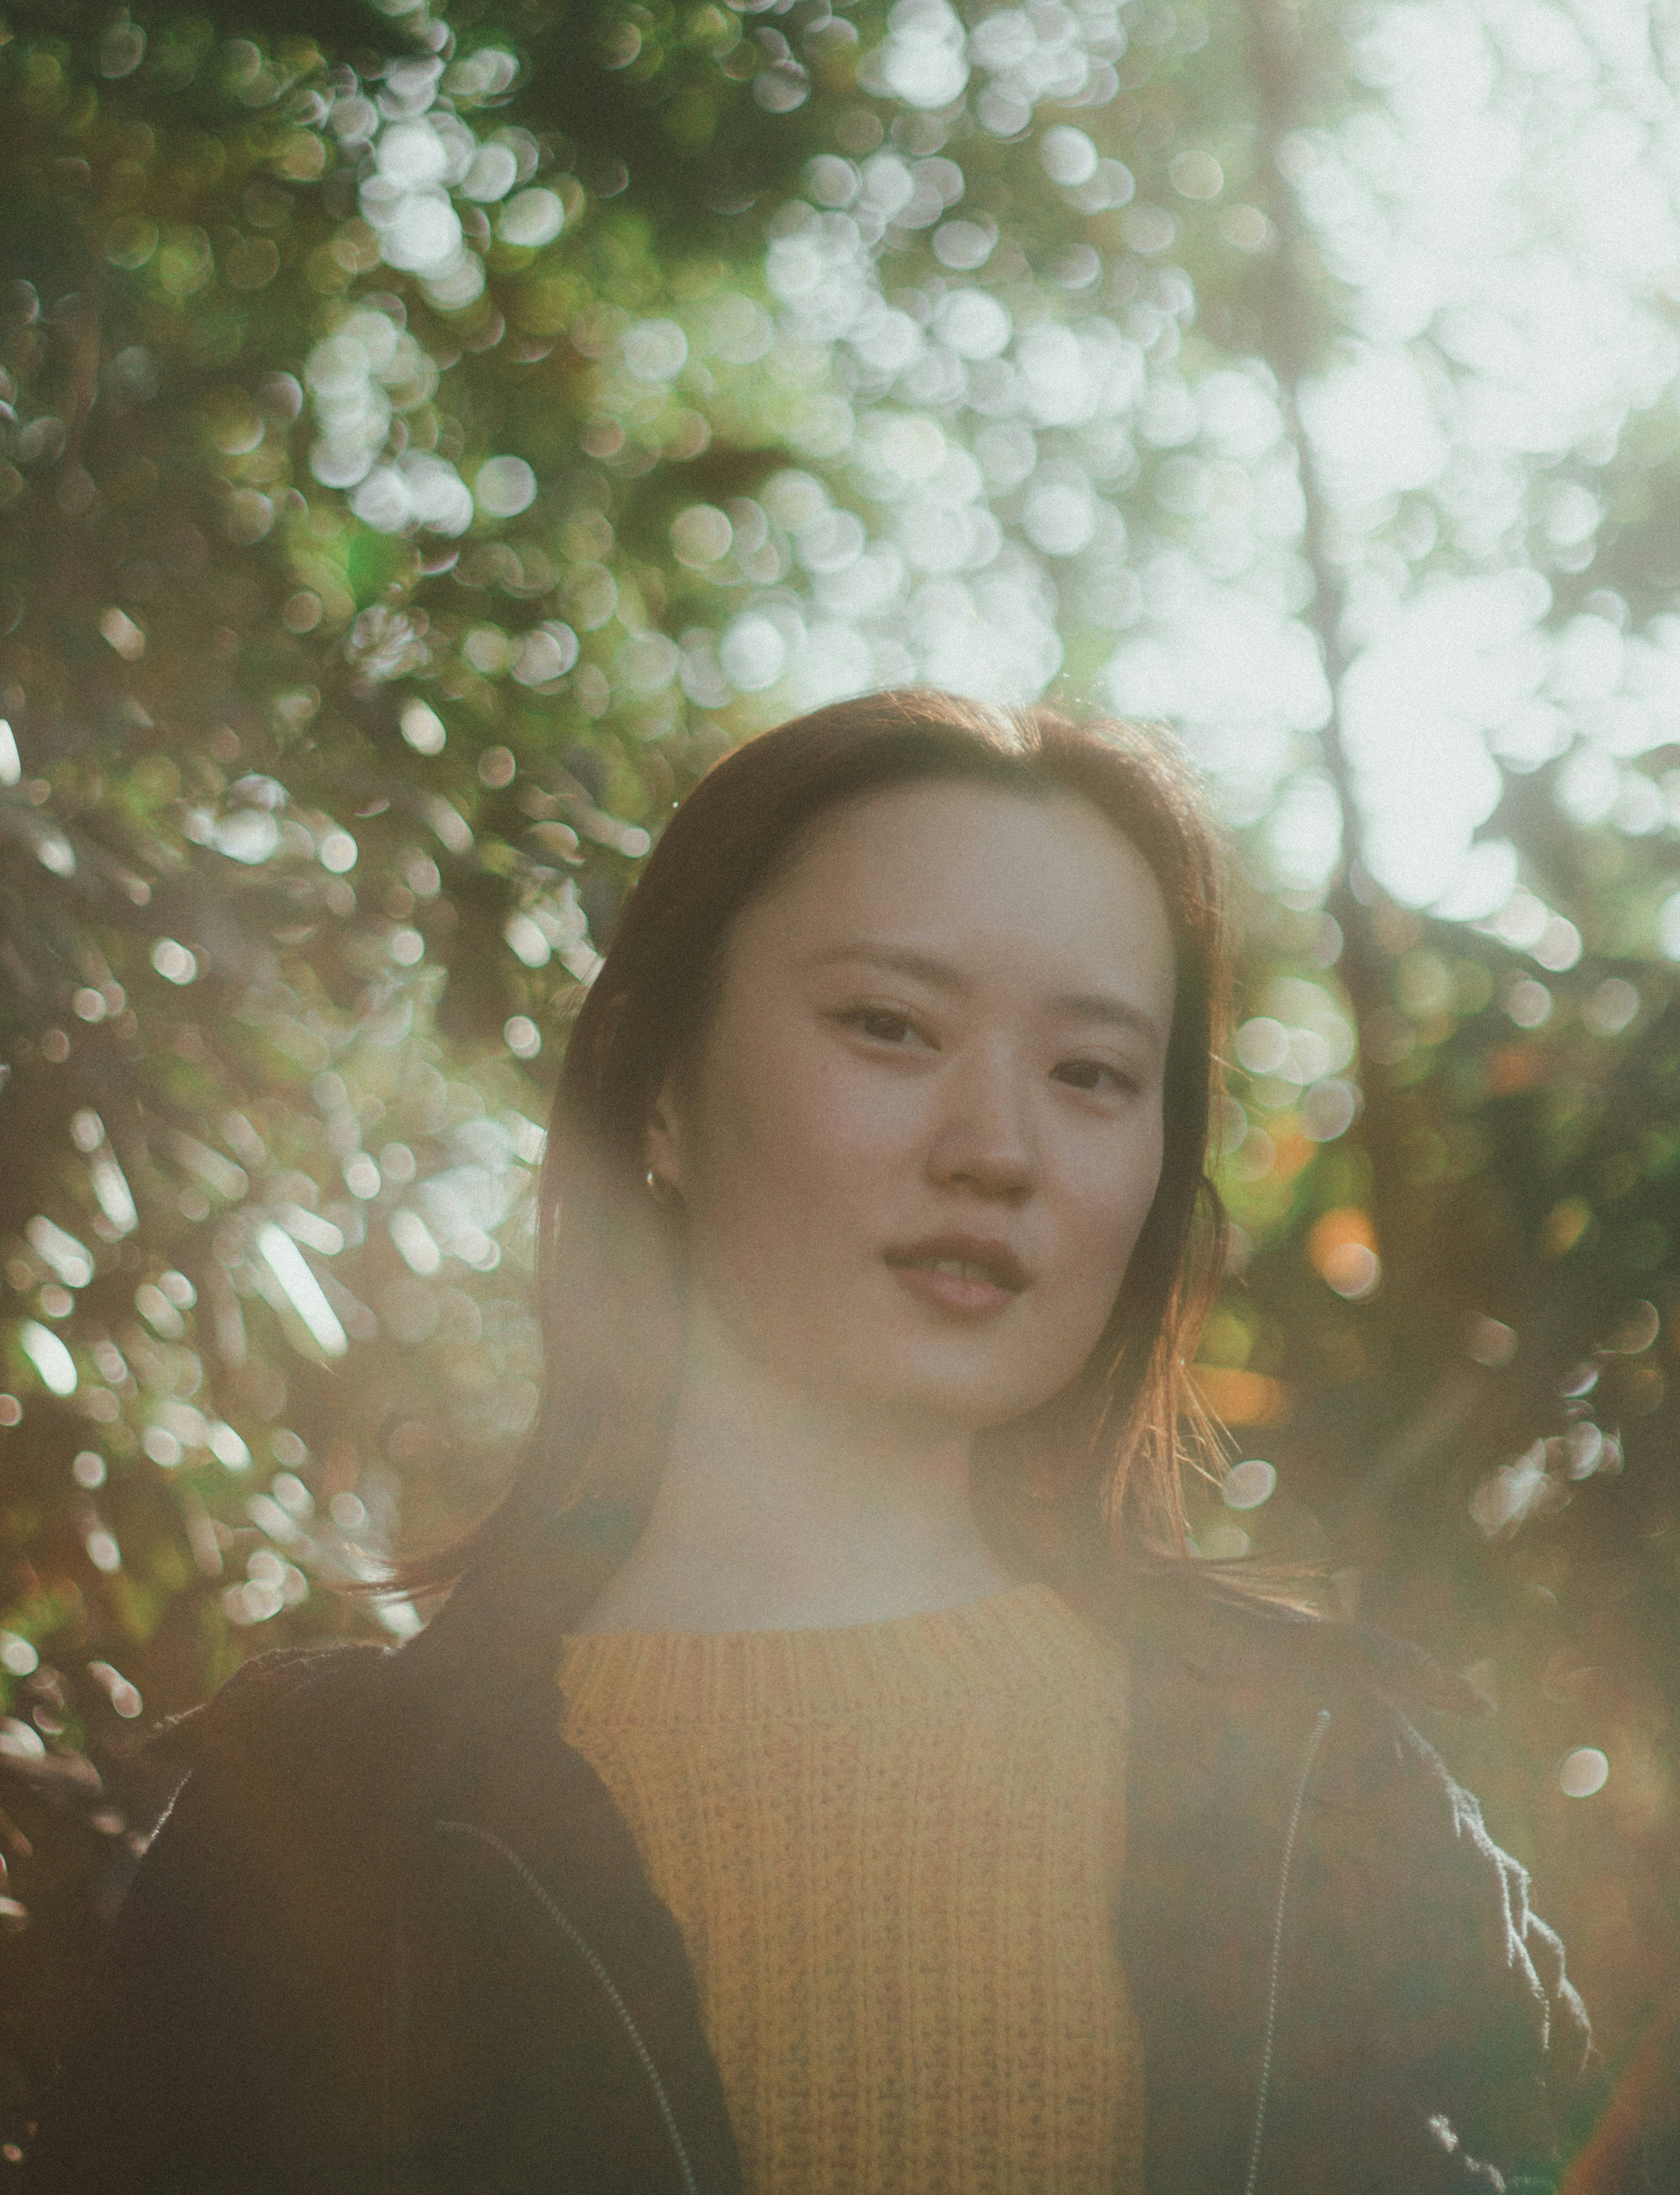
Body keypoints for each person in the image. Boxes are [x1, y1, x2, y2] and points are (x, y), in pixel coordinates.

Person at [30, 690, 1592, 2195]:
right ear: (655, 1088)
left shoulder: (1331, 1787)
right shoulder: (312, 1831)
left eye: (1093, 1074)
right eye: (891, 1026)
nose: (997, 1149)